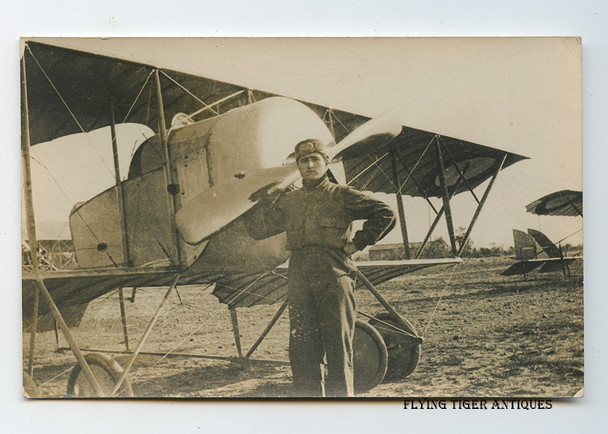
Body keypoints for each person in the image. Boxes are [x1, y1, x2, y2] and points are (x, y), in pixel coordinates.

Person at [246, 138, 396, 397]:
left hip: (333, 274)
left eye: (315, 159)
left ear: (327, 163)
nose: (309, 164)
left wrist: (357, 244)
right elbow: (259, 230)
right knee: (302, 347)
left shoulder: (342, 195)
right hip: (299, 274)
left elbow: (386, 213)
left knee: (338, 347)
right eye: (303, 160)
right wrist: (258, 199)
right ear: (297, 165)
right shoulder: (289, 200)